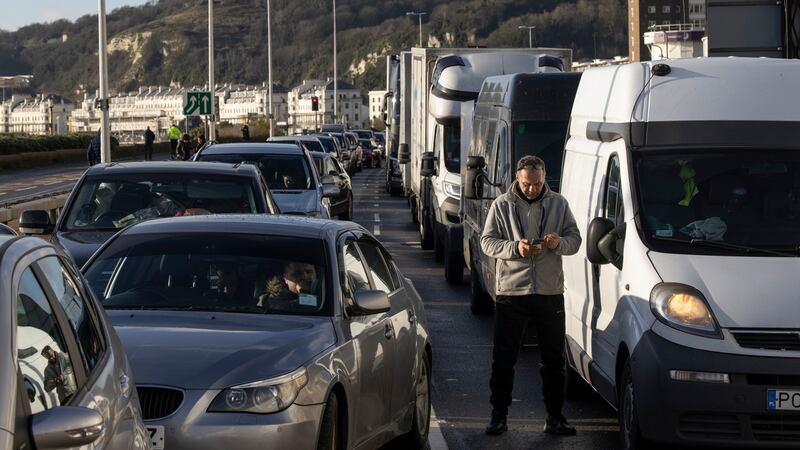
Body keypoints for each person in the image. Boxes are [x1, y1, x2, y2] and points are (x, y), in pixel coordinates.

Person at [480, 155, 582, 437]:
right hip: (512, 293)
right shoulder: (501, 205)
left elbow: (575, 239)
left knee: (553, 359)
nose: (532, 189)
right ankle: (498, 416)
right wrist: (516, 248)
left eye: (537, 184)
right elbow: (487, 241)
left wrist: (559, 243)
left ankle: (555, 417)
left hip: (549, 291)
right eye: (526, 184)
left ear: (544, 177)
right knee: (504, 358)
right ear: (517, 177)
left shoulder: (559, 203)